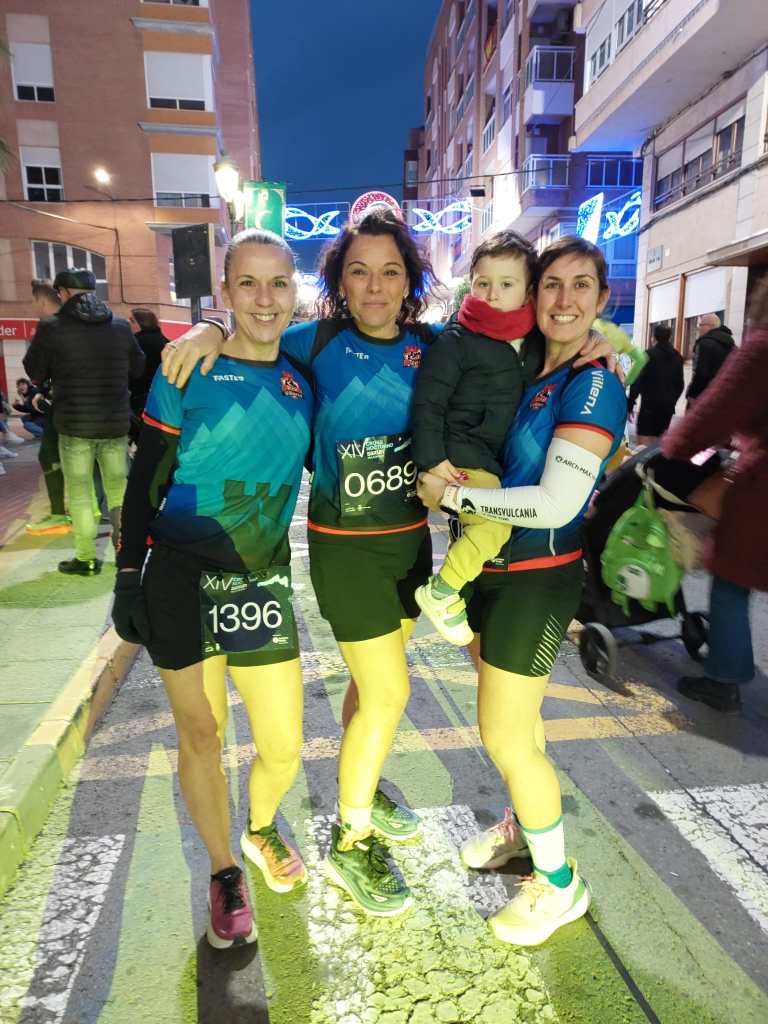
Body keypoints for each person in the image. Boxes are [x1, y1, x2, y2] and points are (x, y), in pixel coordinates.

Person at [163, 213, 625, 919]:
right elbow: (251, 335)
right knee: (386, 693)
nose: (375, 286)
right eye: (359, 271)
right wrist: (207, 328)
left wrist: (604, 346)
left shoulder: (435, 346)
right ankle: (350, 840)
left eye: (390, 272)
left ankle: (368, 782)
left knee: (371, 689)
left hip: (411, 548)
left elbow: (523, 346)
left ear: (411, 282)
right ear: (339, 283)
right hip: (344, 550)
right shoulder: (313, 343)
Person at [418, 236, 627, 947]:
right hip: (492, 574)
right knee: (520, 726)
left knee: (506, 733)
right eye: (552, 285)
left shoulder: (593, 383)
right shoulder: (530, 365)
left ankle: (559, 884)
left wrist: (455, 497)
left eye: (581, 286)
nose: (564, 300)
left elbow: (558, 502)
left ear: (602, 299)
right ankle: (522, 830)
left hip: (537, 579)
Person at [113, 229, 313, 948]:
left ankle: (259, 828)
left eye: (278, 283)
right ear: (225, 290)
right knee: (202, 733)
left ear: (295, 292)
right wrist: (126, 575)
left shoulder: (305, 379)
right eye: (247, 283)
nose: (264, 299)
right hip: (180, 576)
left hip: (257, 582)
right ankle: (225, 870)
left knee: (284, 746)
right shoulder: (185, 369)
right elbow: (145, 480)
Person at [411, 230, 542, 644]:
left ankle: (460, 593)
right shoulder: (456, 339)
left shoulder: (534, 339)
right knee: (494, 527)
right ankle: (442, 591)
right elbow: (428, 402)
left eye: (506, 284)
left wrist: (600, 342)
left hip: (494, 459)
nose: (492, 294)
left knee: (493, 528)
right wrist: (432, 460)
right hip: (460, 456)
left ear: (527, 291)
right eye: (483, 283)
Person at [664, 278, 768, 714]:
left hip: (762, 490)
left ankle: (724, 677)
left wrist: (674, 447)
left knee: (731, 579)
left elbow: (717, 410)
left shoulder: (762, 350)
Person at [23, 268, 145, 575]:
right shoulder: (120, 326)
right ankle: (125, 556)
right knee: (119, 490)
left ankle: (86, 558)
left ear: (63, 292)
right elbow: (138, 367)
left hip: (74, 425)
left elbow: (34, 370)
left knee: (79, 491)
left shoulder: (52, 327)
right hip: (114, 424)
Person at [22, 280, 75, 535]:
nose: (32, 307)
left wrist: (43, 388)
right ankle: (93, 509)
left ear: (42, 301)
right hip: (97, 405)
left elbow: (33, 367)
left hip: (65, 405)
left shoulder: (50, 326)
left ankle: (59, 514)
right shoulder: (83, 322)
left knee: (50, 454)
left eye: (33, 301)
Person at [628, 324, 684, 446]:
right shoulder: (677, 357)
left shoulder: (648, 355)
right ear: (670, 337)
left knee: (643, 443)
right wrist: (672, 402)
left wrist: (630, 404)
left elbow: (637, 382)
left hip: (649, 407)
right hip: (667, 409)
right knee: (659, 444)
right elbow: (680, 384)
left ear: (653, 338)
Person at [128, 308, 168, 425]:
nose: (128, 324)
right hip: (163, 399)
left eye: (131, 320)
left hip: (140, 400)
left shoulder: (135, 344)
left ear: (139, 323)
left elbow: (132, 373)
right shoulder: (166, 342)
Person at [686, 313, 734, 404]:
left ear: (710, 326)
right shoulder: (730, 343)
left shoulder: (704, 344)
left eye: (701, 325)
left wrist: (692, 394)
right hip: (722, 394)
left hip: (703, 395)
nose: (698, 328)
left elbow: (701, 373)